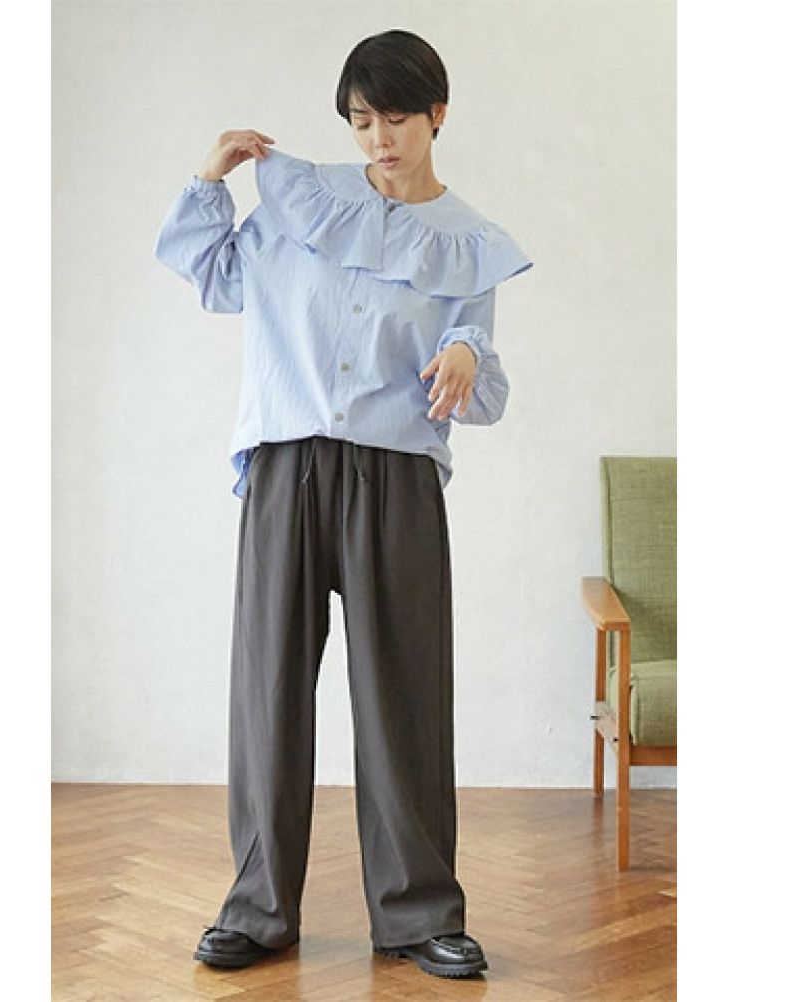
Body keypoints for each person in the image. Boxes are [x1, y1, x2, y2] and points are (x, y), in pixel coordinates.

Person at [153, 28, 532, 980]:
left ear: (437, 114)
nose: (378, 139)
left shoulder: (469, 242)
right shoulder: (302, 202)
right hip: (286, 465)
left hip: (397, 479)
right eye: (362, 121)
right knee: (268, 691)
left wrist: (465, 353)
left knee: (404, 698)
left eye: (395, 118)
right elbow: (218, 279)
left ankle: (419, 914)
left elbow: (478, 377)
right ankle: (257, 909)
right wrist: (209, 182)